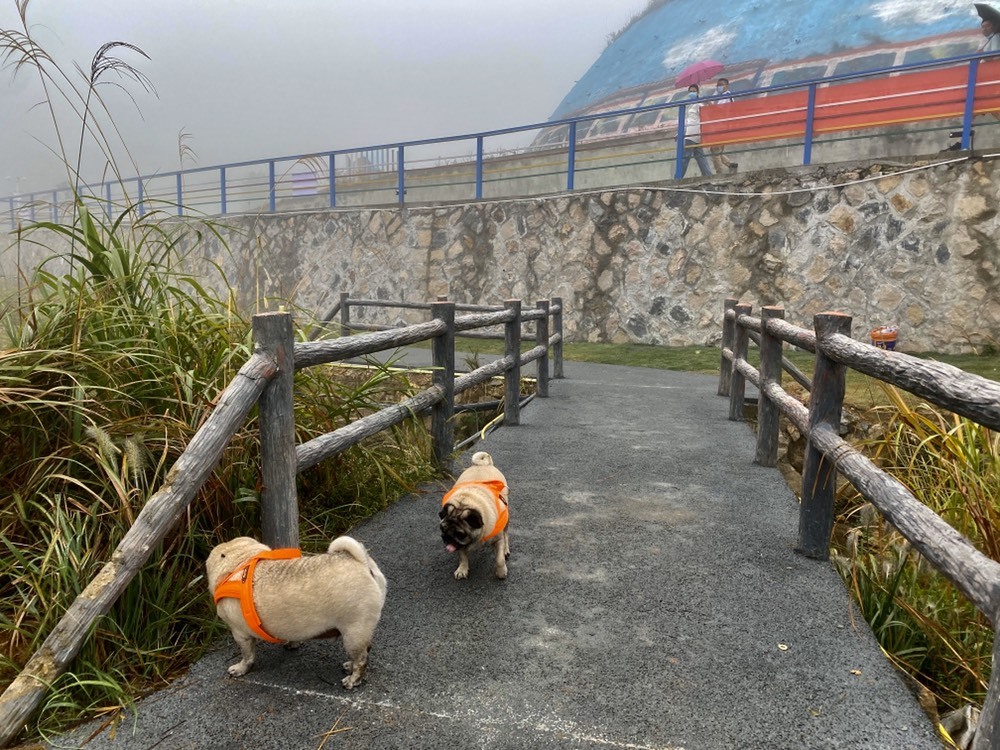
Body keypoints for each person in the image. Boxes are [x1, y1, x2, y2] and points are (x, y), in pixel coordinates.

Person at [678, 84, 713, 178]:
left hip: (693, 133)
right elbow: (687, 121)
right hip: (691, 132)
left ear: (697, 92)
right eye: (690, 91)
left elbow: (706, 115)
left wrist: (709, 103)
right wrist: (679, 132)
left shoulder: (698, 104)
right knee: (700, 156)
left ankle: (678, 176)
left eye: (693, 91)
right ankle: (708, 175)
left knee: (685, 157)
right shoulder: (691, 105)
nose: (691, 93)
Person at [709, 78, 739, 174]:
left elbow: (722, 111)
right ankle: (731, 165)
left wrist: (712, 107)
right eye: (717, 85)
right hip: (721, 125)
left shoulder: (727, 96)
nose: (719, 87)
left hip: (722, 126)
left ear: (727, 86)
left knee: (715, 150)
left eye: (721, 84)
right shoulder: (722, 97)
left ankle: (719, 173)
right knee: (716, 149)